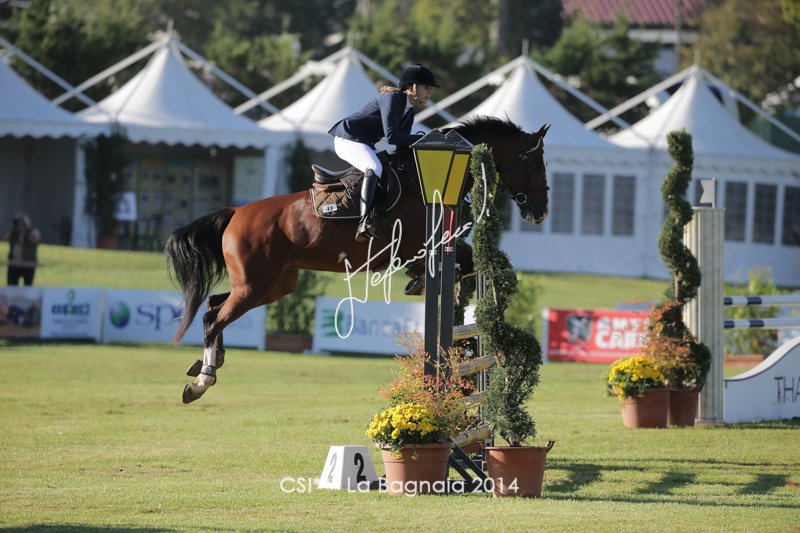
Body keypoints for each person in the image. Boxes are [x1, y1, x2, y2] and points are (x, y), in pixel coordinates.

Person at [328, 63, 438, 241]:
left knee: (390, 170)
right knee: (374, 167)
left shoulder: (409, 112)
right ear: (411, 87)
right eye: (426, 88)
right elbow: (392, 136)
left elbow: (402, 146)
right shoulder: (393, 99)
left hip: (364, 142)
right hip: (348, 138)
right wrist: (426, 139)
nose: (430, 93)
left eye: (431, 89)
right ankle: (364, 222)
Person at [4, 213, 41, 286]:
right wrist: (14, 229)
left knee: (27, 288)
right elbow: (5, 238)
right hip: (14, 264)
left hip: (28, 265)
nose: (20, 224)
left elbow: (35, 238)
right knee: (11, 288)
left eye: (22, 222)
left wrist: (26, 230)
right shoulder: (13, 232)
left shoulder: (33, 231)